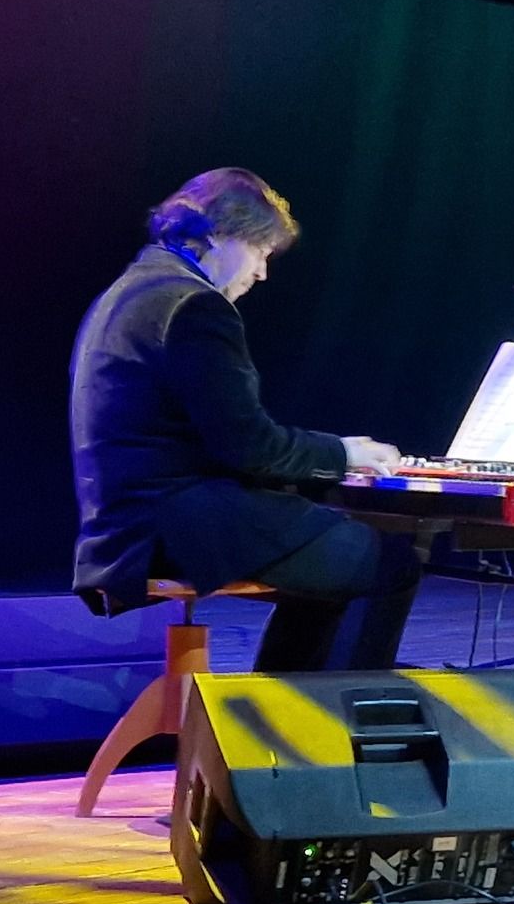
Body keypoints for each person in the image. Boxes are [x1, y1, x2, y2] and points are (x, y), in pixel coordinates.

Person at [70, 168, 418, 671]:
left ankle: (283, 710)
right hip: (175, 526)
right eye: (261, 252)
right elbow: (249, 445)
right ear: (221, 234)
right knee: (390, 563)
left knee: (326, 561)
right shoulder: (195, 306)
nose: (262, 273)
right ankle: (332, 713)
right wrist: (344, 453)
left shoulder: (130, 291)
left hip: (125, 525)